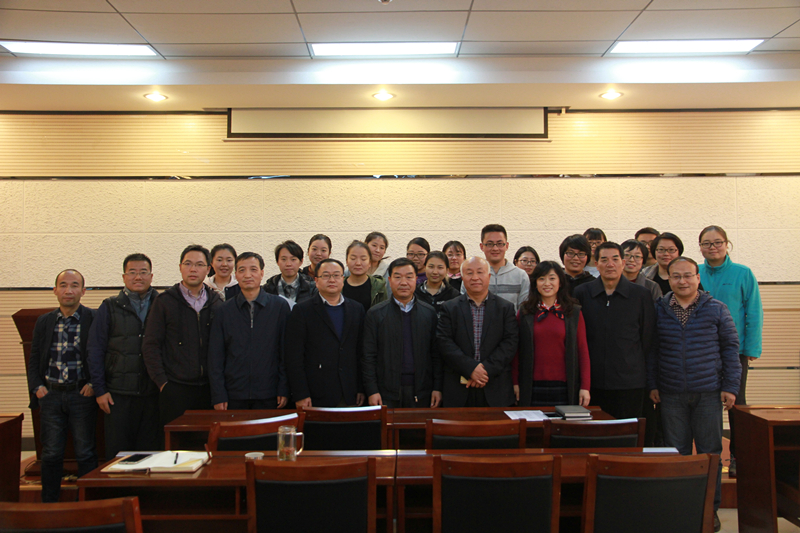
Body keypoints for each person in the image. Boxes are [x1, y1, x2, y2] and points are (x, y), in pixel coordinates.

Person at [648, 256, 741, 532]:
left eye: (688, 275)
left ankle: (709, 510)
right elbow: (651, 350)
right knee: (677, 454)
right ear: (669, 279)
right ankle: (680, 510)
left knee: (710, 453)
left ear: (698, 278)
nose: (682, 281)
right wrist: (653, 384)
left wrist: (730, 387)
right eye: (676, 276)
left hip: (708, 393)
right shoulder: (659, 309)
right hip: (670, 393)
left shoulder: (717, 308)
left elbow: (731, 349)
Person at [697, 225, 762, 479]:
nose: (712, 247)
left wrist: (751, 347)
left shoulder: (743, 273)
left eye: (717, 242)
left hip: (734, 351)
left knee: (737, 403)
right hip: (701, 350)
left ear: (727, 244)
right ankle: (704, 458)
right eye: (706, 243)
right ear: (700, 247)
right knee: (704, 403)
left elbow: (753, 312)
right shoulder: (695, 272)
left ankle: (737, 456)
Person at [27, 269, 96, 502]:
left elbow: (103, 354)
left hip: (81, 395)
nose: (69, 290)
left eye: (75, 285)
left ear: (83, 291)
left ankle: (87, 504)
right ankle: (50, 506)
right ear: (55, 290)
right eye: (63, 285)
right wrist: (37, 386)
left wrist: (93, 384)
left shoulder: (93, 318)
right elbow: (34, 357)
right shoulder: (45, 321)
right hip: (51, 396)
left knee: (85, 452)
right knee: (51, 454)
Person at [87, 254, 159, 461]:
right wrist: (100, 390)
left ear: (151, 276)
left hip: (153, 393)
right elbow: (95, 349)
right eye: (132, 272)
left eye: (143, 272)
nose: (138, 277)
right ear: (124, 276)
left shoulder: (162, 303)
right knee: (119, 456)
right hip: (117, 394)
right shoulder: (110, 306)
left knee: (151, 455)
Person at [143, 244, 222, 432]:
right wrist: (162, 383)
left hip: (209, 388)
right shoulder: (164, 301)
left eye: (199, 264)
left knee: (207, 442)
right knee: (176, 442)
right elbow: (151, 345)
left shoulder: (217, 302)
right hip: (175, 388)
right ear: (180, 267)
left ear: (208, 269)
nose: (193, 269)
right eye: (188, 264)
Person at [573, 242, 656, 420]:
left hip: (630, 382)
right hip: (592, 381)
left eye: (615, 259)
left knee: (627, 431)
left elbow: (647, 339)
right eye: (604, 260)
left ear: (623, 263)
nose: (610, 264)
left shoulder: (641, 295)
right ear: (596, 264)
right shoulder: (582, 293)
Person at [209, 252, 290, 410]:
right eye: (242, 270)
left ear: (262, 273)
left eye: (253, 269)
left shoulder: (279, 307)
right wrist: (218, 393)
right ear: (236, 275)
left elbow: (285, 352)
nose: (247, 275)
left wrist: (284, 387)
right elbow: (215, 356)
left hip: (270, 392)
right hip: (234, 394)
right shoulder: (224, 311)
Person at [437, 256, 518, 407]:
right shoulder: (449, 308)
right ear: (462, 278)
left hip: (495, 386)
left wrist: (484, 371)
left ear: (488, 276)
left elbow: (510, 343)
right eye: (469, 273)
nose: (475, 277)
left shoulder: (505, 308)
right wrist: (471, 369)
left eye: (480, 272)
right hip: (458, 388)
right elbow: (444, 342)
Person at [284, 258, 366, 408]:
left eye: (336, 275)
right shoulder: (302, 311)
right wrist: (301, 393)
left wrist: (361, 387)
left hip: (350, 391)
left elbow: (361, 352)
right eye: (326, 275)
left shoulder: (357, 309)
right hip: (316, 391)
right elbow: (294, 357)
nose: (332, 280)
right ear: (316, 280)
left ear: (343, 279)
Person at [362, 258, 442, 408]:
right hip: (386, 392)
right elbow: (368, 356)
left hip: (422, 391)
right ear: (390, 280)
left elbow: (436, 354)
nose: (403, 282)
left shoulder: (429, 313)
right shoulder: (375, 314)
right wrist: (372, 390)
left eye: (409, 277)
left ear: (416, 280)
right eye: (398, 277)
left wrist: (437, 387)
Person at [515, 261, 590, 407]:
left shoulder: (573, 312)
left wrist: (585, 386)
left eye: (552, 278)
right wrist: (515, 382)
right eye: (541, 279)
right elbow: (517, 351)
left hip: (565, 386)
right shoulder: (525, 312)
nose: (547, 283)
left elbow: (582, 351)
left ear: (560, 282)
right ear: (535, 283)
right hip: (531, 385)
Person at [460, 224, 530, 312]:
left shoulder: (520, 275)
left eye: (500, 244)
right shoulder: (472, 276)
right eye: (490, 244)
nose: (495, 248)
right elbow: (463, 306)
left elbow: (524, 310)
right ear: (482, 246)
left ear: (506, 245)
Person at [263, 240, 317, 309]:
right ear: (277, 262)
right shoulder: (268, 288)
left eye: (293, 259)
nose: (288, 264)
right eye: (284, 259)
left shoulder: (312, 288)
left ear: (301, 261)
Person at [343, 240, 388, 312]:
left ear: (369, 263)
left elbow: (384, 313)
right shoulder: (339, 284)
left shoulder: (379, 285)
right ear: (346, 261)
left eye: (363, 259)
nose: (358, 263)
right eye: (353, 258)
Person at [415, 251, 459, 316]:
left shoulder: (454, 295)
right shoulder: (414, 293)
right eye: (431, 267)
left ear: (447, 270)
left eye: (440, 267)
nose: (435, 272)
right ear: (425, 268)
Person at [644, 232, 685, 296]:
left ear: (679, 252)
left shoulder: (688, 274)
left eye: (671, 250)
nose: (666, 254)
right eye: (661, 249)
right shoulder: (644, 275)